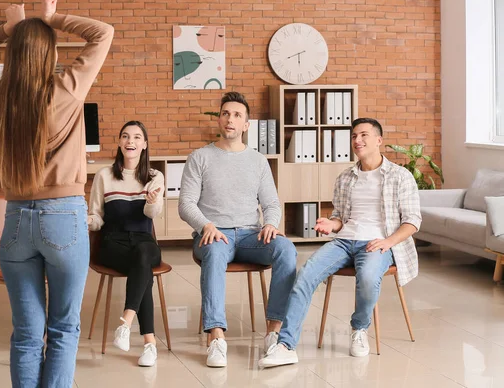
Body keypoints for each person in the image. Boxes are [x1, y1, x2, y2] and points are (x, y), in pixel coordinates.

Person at [0, 0, 113, 386]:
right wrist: (53, 17)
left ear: (12, 56)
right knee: (63, 329)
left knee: (27, 335)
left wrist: (7, 29)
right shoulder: (66, 90)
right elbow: (102, 33)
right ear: (49, 55)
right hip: (63, 217)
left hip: (15, 223)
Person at [259, 117, 422, 369]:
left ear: (379, 140)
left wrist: (388, 242)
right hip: (344, 242)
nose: (357, 140)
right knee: (305, 275)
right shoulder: (346, 177)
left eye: (364, 135)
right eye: (354, 136)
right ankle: (285, 346)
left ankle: (359, 328)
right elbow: (340, 218)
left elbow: (412, 221)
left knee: (367, 278)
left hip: (378, 243)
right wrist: (331, 224)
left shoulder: (400, 177)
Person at [178, 91, 298, 368]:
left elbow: (271, 203)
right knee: (215, 253)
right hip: (213, 233)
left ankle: (274, 332)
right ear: (219, 120)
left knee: (286, 249)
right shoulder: (200, 157)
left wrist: (270, 224)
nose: (230, 119)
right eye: (225, 113)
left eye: (237, 115)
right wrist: (205, 225)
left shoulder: (258, 161)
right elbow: (185, 204)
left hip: (250, 235)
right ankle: (216, 337)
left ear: (246, 125)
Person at [88, 121, 164, 367]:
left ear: (144, 144)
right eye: (125, 136)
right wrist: (83, 220)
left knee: (142, 255)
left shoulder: (155, 176)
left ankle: (126, 322)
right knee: (141, 268)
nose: (130, 141)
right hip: (113, 244)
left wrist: (151, 201)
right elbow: (97, 217)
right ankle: (150, 344)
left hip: (144, 241)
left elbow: (153, 215)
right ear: (120, 143)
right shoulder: (104, 176)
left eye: (136, 137)